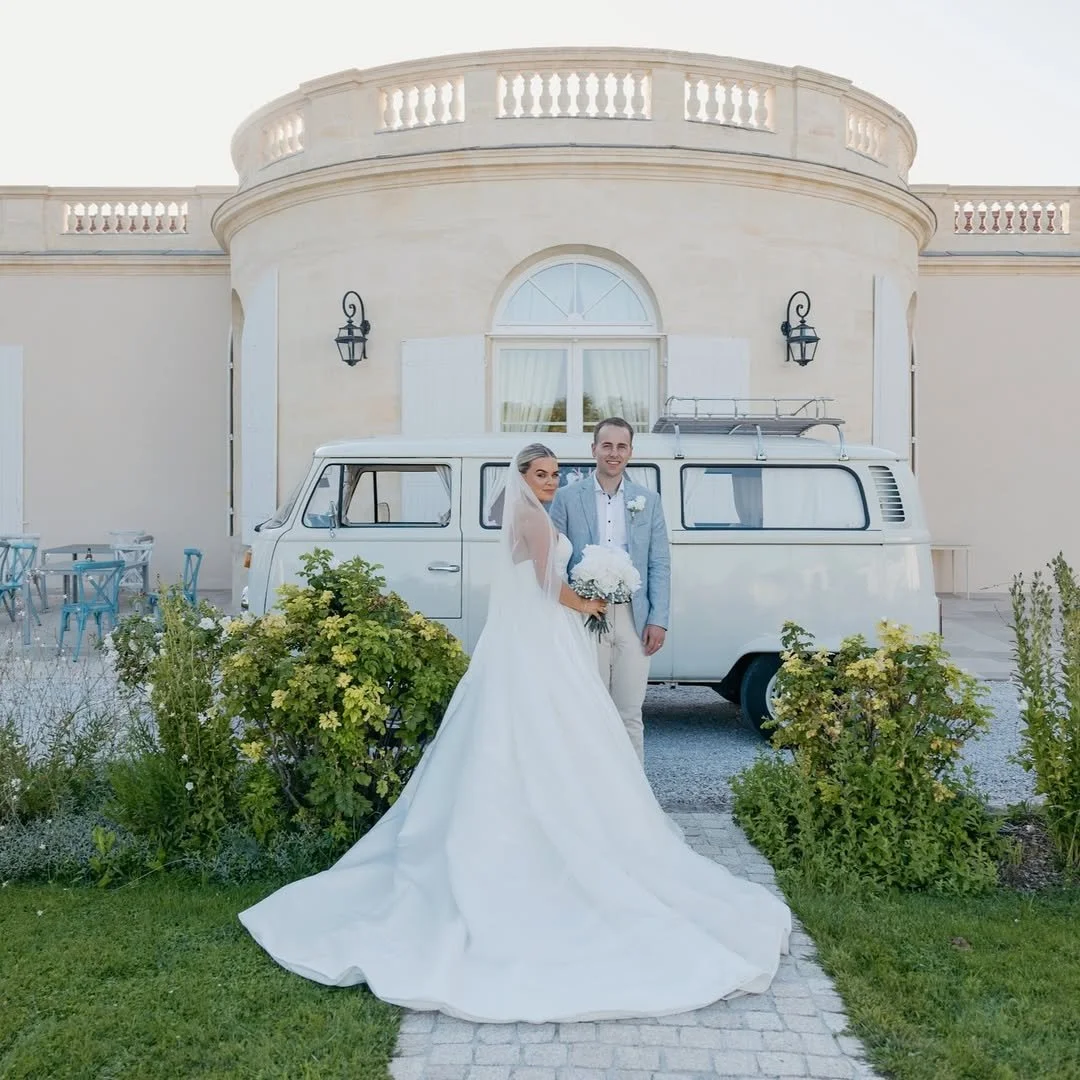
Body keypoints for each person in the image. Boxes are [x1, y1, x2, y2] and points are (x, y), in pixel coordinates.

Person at [238, 444, 791, 1023]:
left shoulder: (529, 517)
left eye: (555, 475)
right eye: (542, 474)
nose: (551, 482)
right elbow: (553, 589)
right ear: (523, 478)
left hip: (533, 640)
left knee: (525, 734)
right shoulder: (532, 518)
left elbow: (540, 581)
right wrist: (595, 601)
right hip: (545, 638)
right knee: (557, 730)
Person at [549, 417, 668, 764]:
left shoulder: (649, 500)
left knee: (630, 713)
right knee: (589, 709)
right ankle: (591, 793)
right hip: (586, 614)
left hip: (635, 616)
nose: (614, 453)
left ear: (630, 451)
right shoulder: (567, 498)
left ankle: (634, 801)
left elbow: (659, 562)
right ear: (594, 449)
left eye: (621, 446)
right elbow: (556, 557)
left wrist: (658, 619)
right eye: (607, 445)